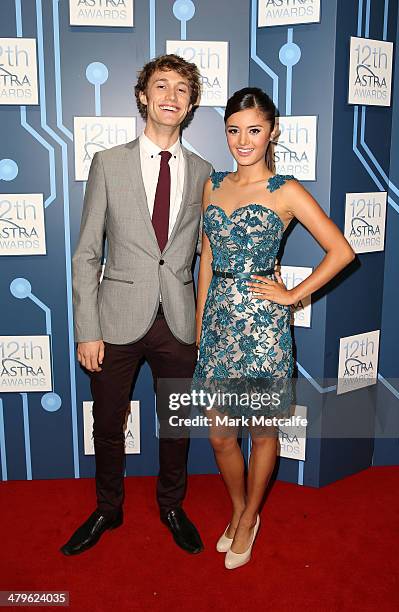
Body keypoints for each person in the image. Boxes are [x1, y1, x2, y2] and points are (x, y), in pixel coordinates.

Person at [194, 87, 355, 569]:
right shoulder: (213, 184)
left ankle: (247, 519)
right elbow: (206, 259)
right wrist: (202, 320)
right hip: (220, 323)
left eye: (254, 130)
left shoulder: (285, 189)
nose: (243, 140)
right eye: (234, 130)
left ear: (273, 131)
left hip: (263, 326)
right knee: (221, 436)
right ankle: (242, 508)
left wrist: (292, 295)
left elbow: (342, 250)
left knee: (262, 432)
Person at [61, 54, 212, 556]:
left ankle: (172, 504)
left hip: (178, 319)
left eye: (182, 90)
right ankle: (108, 507)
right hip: (114, 318)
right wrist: (87, 328)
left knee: (176, 424)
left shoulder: (205, 172)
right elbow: (87, 253)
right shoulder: (108, 162)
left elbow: (209, 250)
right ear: (143, 96)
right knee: (108, 422)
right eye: (161, 86)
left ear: (191, 105)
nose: (171, 96)